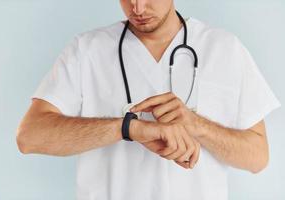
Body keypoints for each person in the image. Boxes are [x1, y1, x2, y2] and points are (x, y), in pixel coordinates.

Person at [16, 0, 281, 200]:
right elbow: (29, 136)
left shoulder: (224, 48)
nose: (138, 8)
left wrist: (195, 124)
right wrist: (129, 128)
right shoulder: (87, 50)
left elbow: (258, 157)